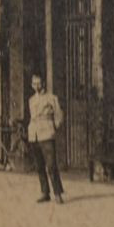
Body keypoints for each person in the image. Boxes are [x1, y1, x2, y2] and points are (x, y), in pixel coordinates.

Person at [26, 72, 65, 204]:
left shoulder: (51, 98)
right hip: (34, 135)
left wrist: (54, 127)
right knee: (39, 165)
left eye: (38, 82)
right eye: (34, 83)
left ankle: (58, 193)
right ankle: (45, 192)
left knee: (51, 165)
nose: (36, 85)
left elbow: (59, 114)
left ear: (43, 83)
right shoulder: (31, 100)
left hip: (47, 133)